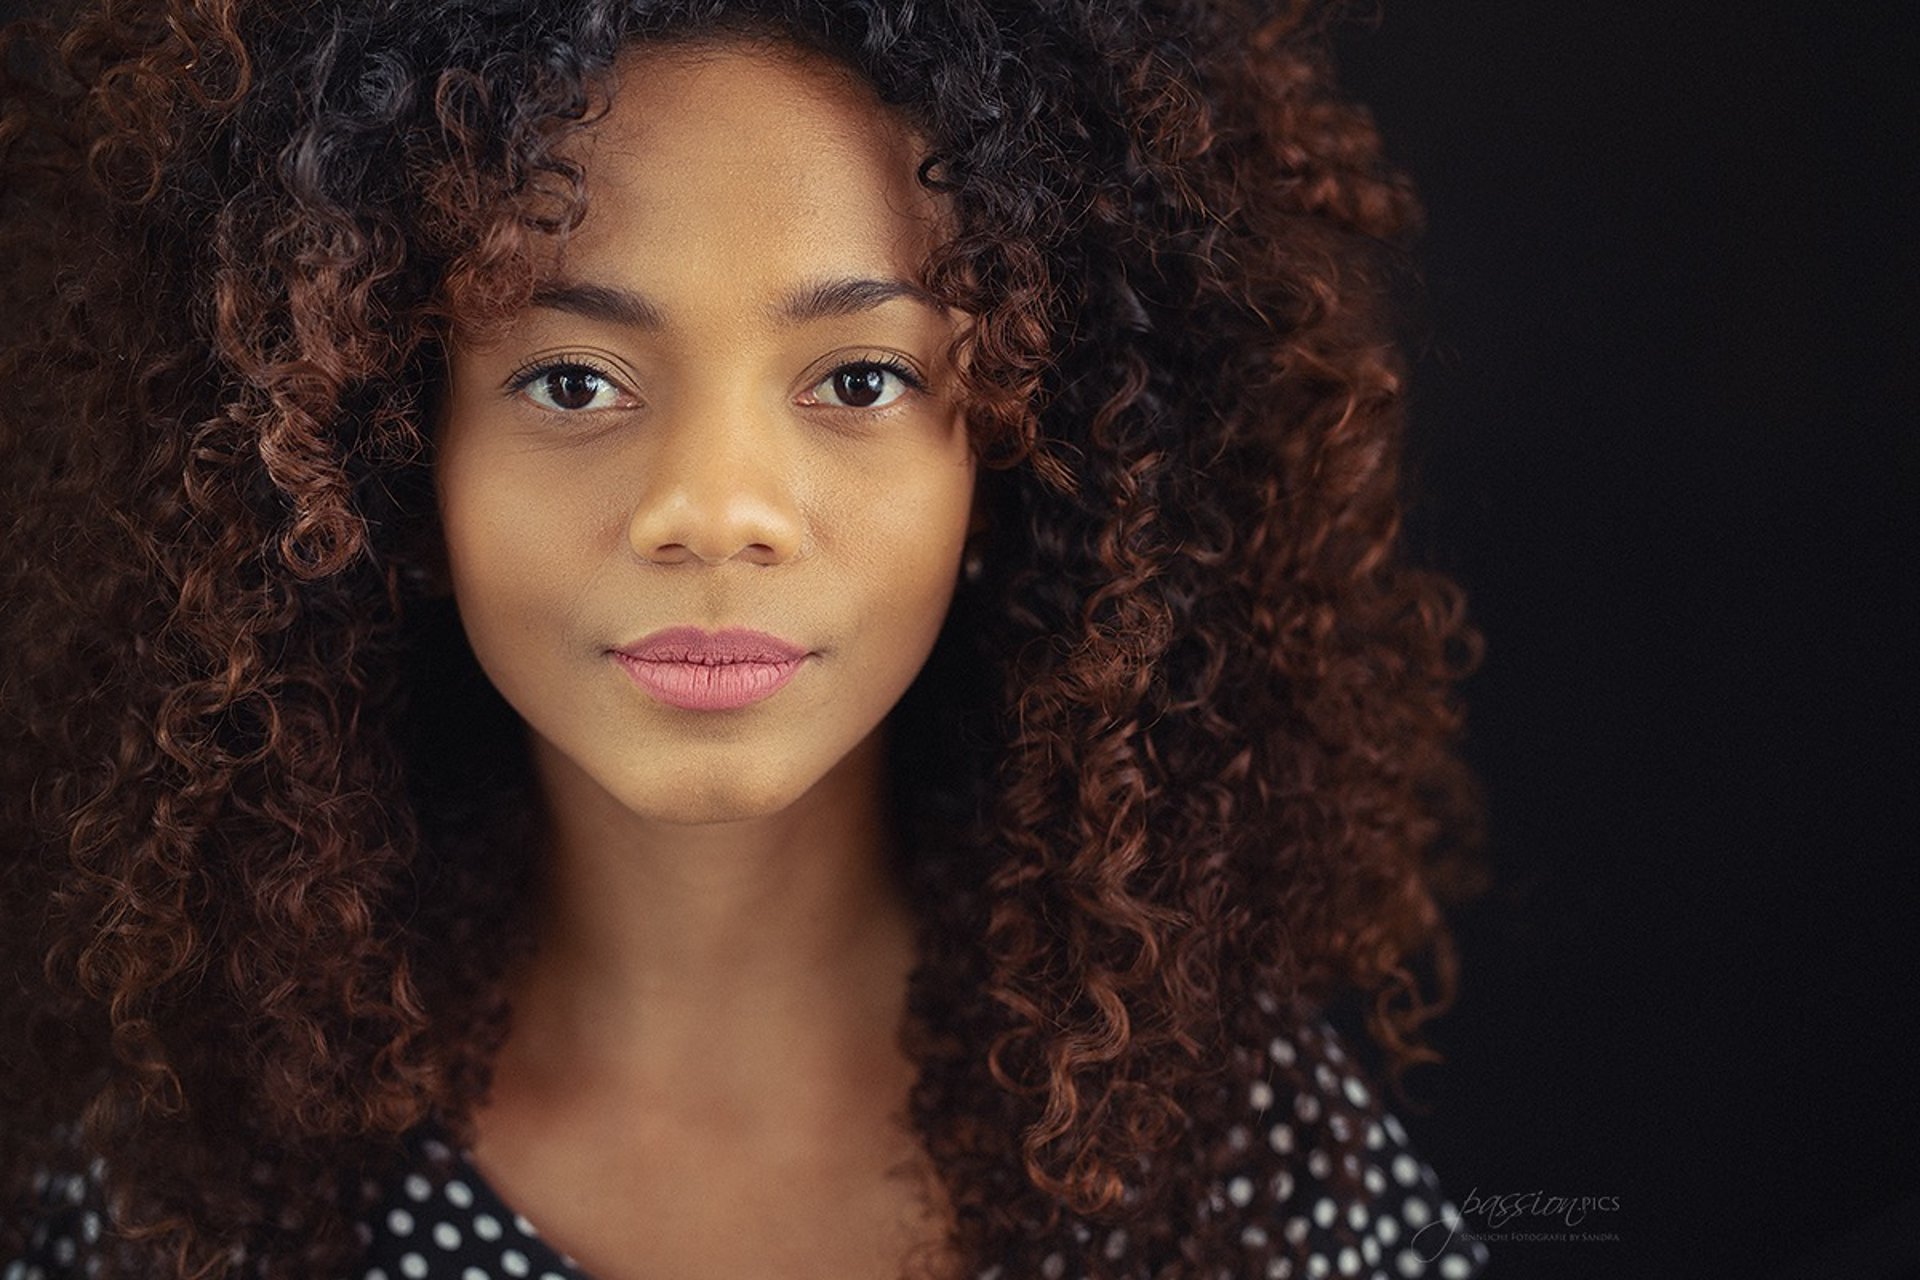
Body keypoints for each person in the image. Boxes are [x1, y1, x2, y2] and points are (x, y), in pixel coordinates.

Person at [0, 1, 1491, 1277]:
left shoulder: (1240, 1174)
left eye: (857, 380)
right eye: (574, 382)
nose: (714, 513)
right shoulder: (182, 1198)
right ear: (378, 453)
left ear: (1033, 451)